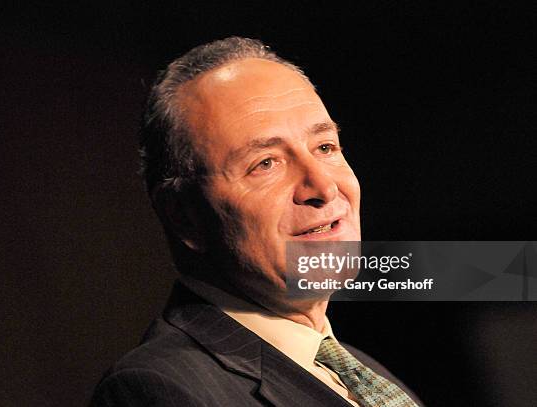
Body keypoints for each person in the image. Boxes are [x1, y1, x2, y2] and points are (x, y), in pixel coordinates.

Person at [90, 37, 423, 407]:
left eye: (325, 147)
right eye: (265, 163)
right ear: (183, 216)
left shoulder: (367, 374)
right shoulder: (158, 390)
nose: (324, 187)